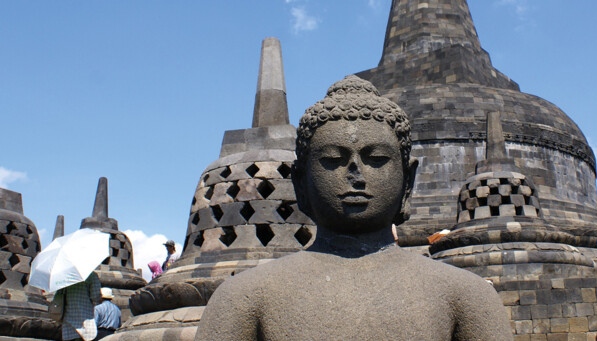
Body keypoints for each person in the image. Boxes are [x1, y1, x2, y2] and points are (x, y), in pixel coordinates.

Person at [196, 75, 511, 340]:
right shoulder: (244, 299)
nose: (356, 174)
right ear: (300, 182)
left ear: (408, 180)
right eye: (333, 160)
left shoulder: (465, 297)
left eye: (376, 160)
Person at [56, 272, 101, 341]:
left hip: (68, 323)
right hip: (85, 322)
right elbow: (95, 297)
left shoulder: (65, 276)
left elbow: (58, 296)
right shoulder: (92, 275)